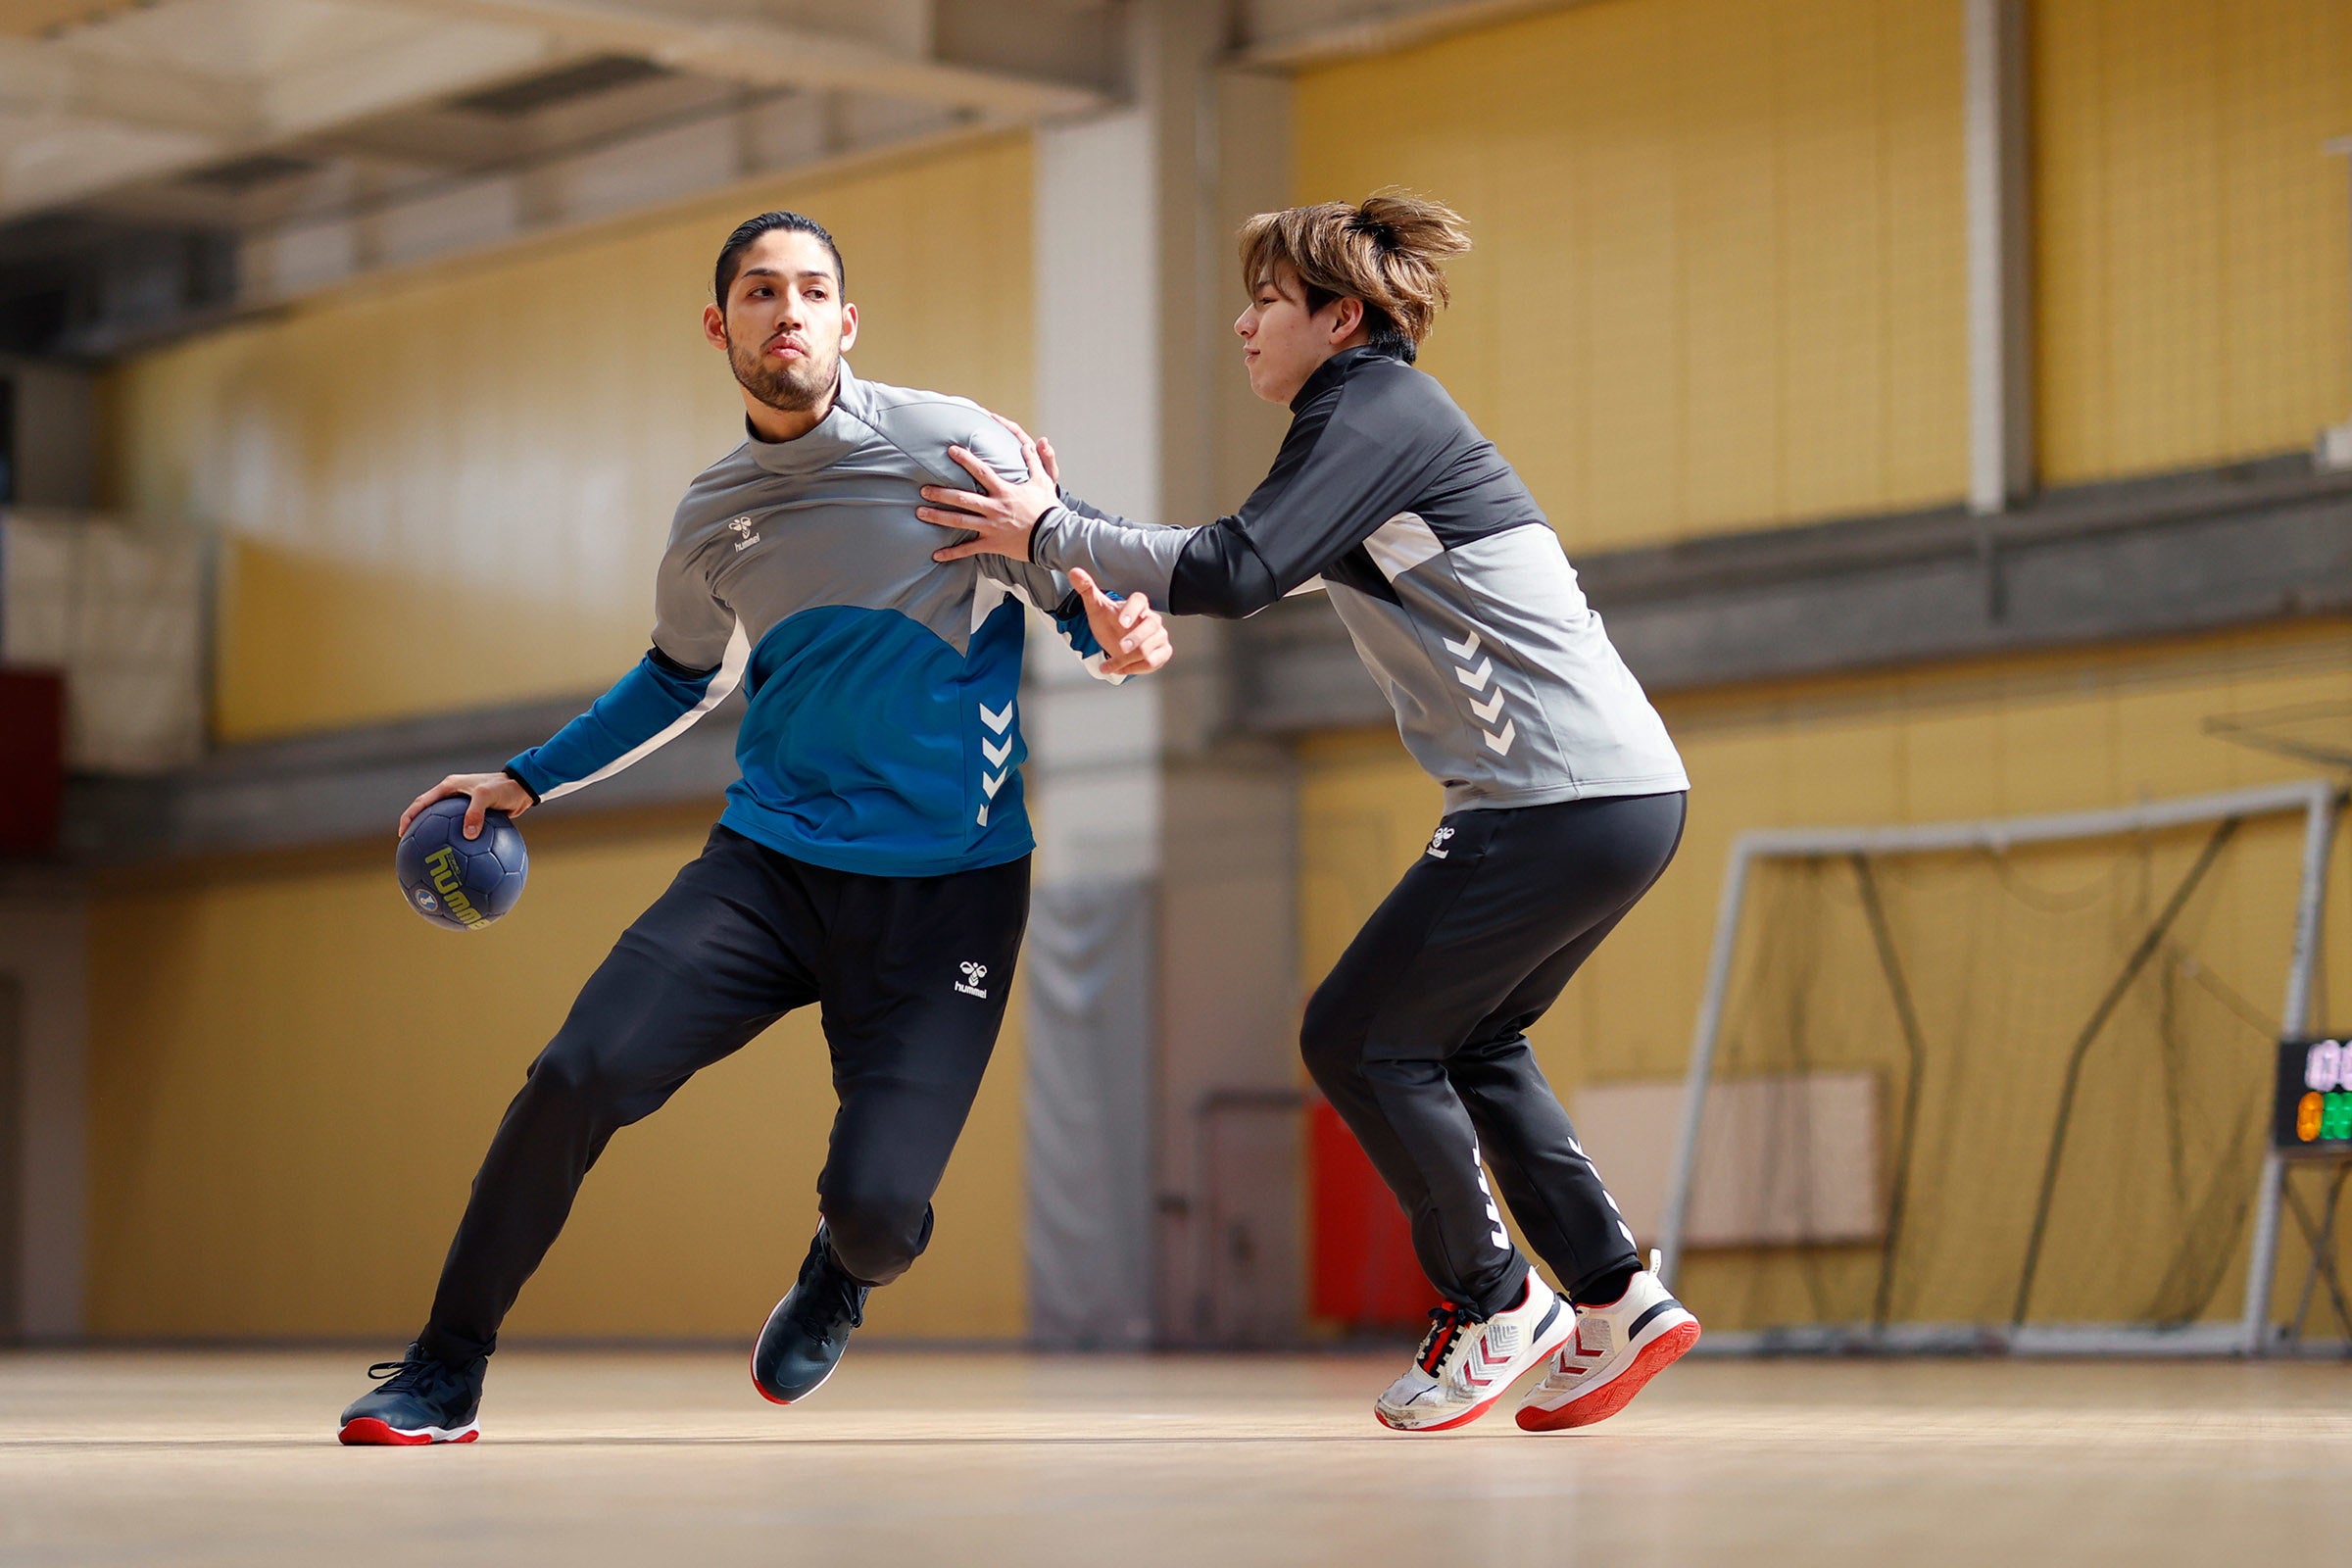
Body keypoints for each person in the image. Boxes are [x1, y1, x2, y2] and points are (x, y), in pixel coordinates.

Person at [336, 209, 1172, 1446]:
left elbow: (1073, 577)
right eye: (762, 291)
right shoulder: (711, 515)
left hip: (949, 889)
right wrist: (527, 779)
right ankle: (443, 1370)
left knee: (880, 1214)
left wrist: (1117, 636)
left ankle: (841, 1269)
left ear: (848, 321)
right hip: (769, 870)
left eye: (813, 290)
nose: (790, 311)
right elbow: (678, 676)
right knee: (575, 1074)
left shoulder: (949, 443)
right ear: (718, 325)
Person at [916, 191, 1696, 1435]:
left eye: (1268, 300)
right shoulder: (1373, 421)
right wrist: (1068, 538)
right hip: (1618, 794)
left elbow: (1235, 568)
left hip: (1553, 794)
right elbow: (1235, 558)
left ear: (1343, 320)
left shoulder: (1373, 409)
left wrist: (1050, 527)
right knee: (1469, 1040)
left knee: (1359, 1035)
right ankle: (1615, 1295)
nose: (1243, 324)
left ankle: (1498, 1301)